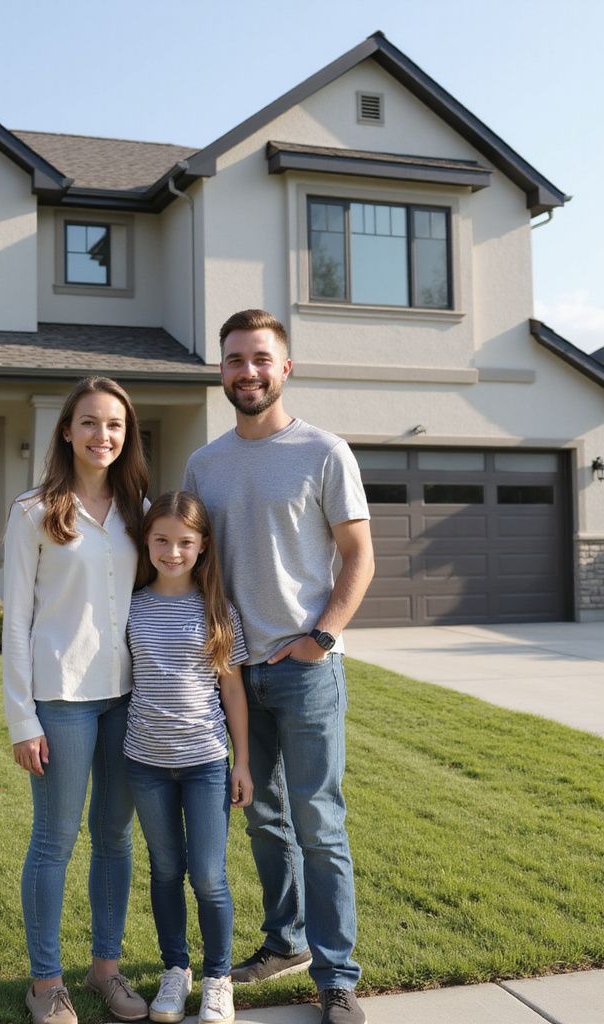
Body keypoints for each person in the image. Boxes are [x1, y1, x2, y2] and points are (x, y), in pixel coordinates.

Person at [183, 309, 375, 1024]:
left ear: (284, 367)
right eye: (234, 360)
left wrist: (320, 637)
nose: (247, 371)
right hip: (234, 673)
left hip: (304, 668)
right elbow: (194, 564)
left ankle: (337, 976)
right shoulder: (205, 464)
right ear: (223, 373)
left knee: (319, 821)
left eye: (260, 358)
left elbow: (358, 556)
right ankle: (285, 942)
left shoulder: (324, 452)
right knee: (264, 818)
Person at [3, 376, 150, 1024]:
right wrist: (21, 718)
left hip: (127, 697)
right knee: (55, 841)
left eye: (115, 424)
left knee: (115, 838)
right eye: (89, 422)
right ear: (67, 430)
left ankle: (106, 971)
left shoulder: (139, 511)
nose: (102, 435)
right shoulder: (34, 511)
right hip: (60, 698)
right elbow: (15, 621)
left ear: (127, 435)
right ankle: (45, 983)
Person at [124, 491, 253, 1024]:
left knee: (207, 875)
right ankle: (175, 972)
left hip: (205, 764)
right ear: (146, 543)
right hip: (145, 763)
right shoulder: (131, 608)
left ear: (201, 546)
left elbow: (233, 693)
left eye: (184, 542)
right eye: (161, 540)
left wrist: (241, 762)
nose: (172, 551)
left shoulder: (218, 610)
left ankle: (217, 978)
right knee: (165, 868)